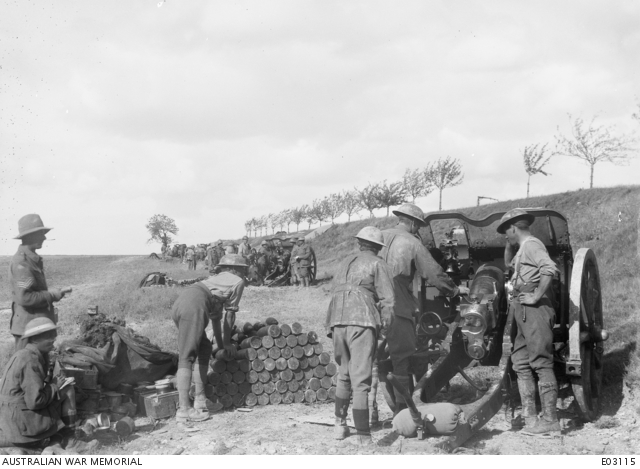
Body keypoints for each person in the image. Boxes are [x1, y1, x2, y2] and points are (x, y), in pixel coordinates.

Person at [379, 203, 468, 414]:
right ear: (411, 223)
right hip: (396, 301)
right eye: (417, 226)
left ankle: (372, 412)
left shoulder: (377, 236)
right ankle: (403, 410)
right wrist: (454, 290)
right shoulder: (411, 242)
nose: (417, 230)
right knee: (401, 358)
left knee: (375, 359)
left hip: (371, 302)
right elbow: (433, 273)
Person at [325, 227, 395, 446]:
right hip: (362, 320)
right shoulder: (378, 263)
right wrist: (385, 328)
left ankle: (339, 425)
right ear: (378, 247)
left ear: (360, 243)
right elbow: (388, 301)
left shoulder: (345, 262)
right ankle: (364, 435)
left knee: (344, 373)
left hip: (337, 320)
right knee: (361, 380)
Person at [498, 208, 561, 434]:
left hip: (535, 309)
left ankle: (551, 420)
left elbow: (549, 268)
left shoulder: (533, 245)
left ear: (514, 228)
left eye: (507, 232)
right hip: (522, 309)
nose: (506, 236)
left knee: (541, 362)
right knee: (521, 362)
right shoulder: (523, 248)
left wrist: (535, 295)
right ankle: (530, 417)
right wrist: (508, 245)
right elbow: (509, 266)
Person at [0, 318, 98, 454]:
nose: (53, 342)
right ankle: (71, 441)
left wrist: (49, 379)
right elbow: (35, 401)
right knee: (68, 390)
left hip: (10, 420)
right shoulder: (30, 360)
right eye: (49, 339)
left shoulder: (22, 354)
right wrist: (54, 385)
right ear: (35, 339)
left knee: (62, 389)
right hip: (22, 426)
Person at [171, 254, 248, 423]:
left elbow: (216, 320)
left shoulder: (217, 281)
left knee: (204, 347)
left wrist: (220, 346)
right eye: (243, 270)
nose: (244, 273)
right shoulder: (237, 281)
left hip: (183, 301)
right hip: (194, 304)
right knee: (187, 354)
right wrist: (227, 343)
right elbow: (229, 318)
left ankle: (200, 400)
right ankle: (184, 409)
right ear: (239, 270)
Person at [9, 214, 72, 350]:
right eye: (40, 234)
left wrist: (54, 293)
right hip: (28, 332)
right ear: (28, 236)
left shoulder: (31, 260)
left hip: (35, 328)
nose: (44, 237)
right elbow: (25, 298)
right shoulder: (22, 263)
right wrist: (52, 295)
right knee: (27, 367)